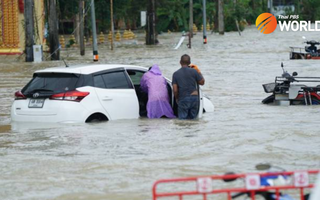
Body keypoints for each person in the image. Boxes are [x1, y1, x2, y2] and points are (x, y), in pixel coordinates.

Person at [172, 54, 205, 119]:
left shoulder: (176, 74)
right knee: (193, 121)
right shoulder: (194, 71)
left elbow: (175, 90)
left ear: (180, 62)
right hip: (194, 98)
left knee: (183, 122)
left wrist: (177, 98)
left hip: (183, 99)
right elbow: (202, 82)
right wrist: (198, 71)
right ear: (189, 63)